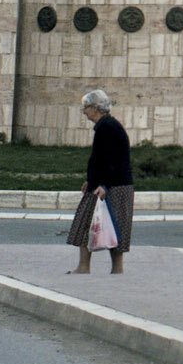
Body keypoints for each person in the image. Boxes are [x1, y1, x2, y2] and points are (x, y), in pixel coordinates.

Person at [66, 90, 134, 275]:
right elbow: (101, 160)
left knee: (86, 223)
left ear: (96, 108)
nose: (84, 112)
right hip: (116, 184)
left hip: (111, 186)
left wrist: (102, 184)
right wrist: (91, 180)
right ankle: (116, 269)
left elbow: (110, 160)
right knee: (116, 225)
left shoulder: (106, 128)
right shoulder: (109, 126)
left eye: (86, 108)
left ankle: (85, 267)